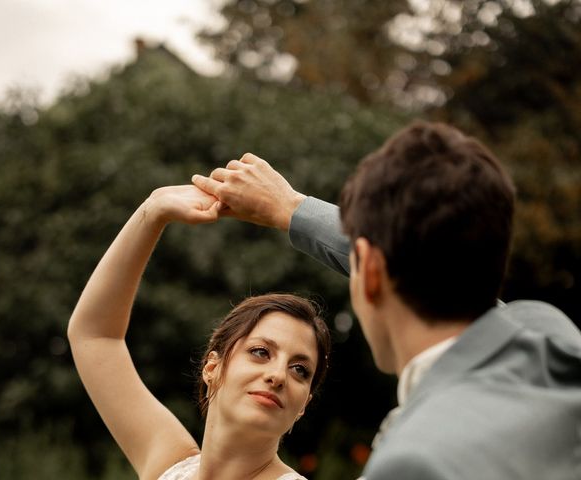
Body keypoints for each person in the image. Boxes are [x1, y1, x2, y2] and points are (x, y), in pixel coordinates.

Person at [192, 121, 581, 479]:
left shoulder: (414, 464)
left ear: (371, 273)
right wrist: (293, 211)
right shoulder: (551, 338)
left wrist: (293, 209)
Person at [67, 185, 331, 480]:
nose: (278, 375)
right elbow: (94, 335)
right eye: (261, 352)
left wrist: (299, 210)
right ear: (212, 367)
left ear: (304, 405)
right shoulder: (170, 467)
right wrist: (153, 211)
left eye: (300, 370)